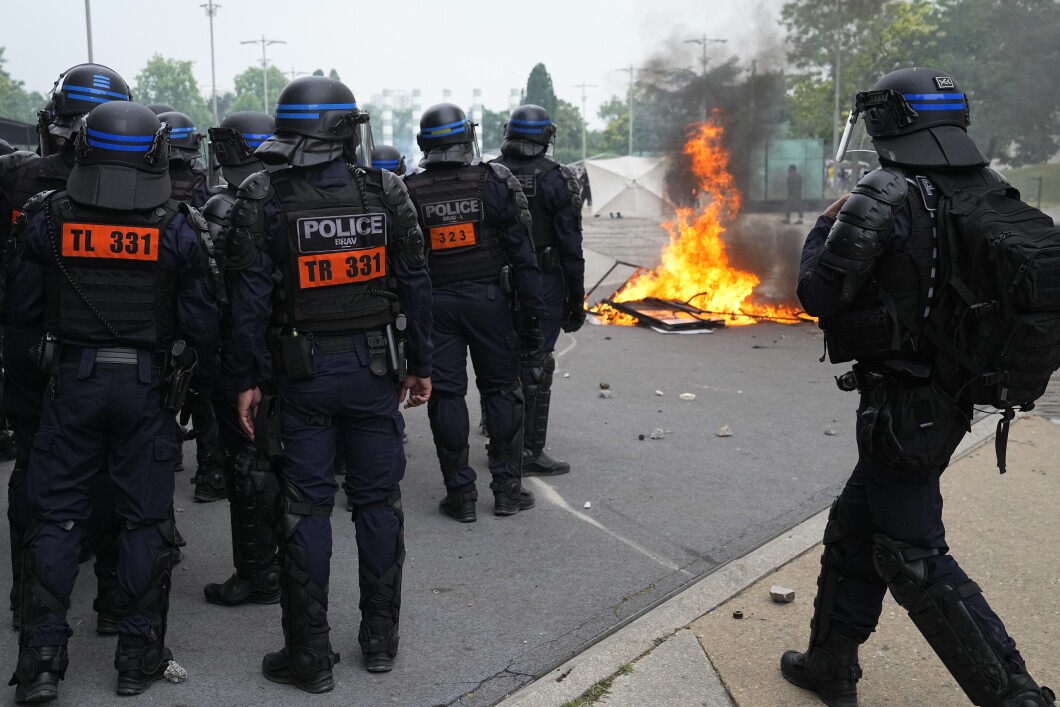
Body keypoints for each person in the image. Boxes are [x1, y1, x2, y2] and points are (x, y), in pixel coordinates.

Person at [782, 68, 1056, 707]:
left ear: (886, 120)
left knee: (914, 556)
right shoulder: (988, 188)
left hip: (902, 407)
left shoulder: (887, 193)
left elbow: (818, 293)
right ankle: (829, 662)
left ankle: (1014, 695)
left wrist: (827, 224)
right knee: (855, 526)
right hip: (952, 398)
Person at [4, 100, 218, 702]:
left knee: (57, 517)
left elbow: (17, 317)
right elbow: (204, 330)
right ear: (156, 153)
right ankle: (137, 656)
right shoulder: (178, 226)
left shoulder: (47, 219)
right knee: (144, 520)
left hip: (69, 387)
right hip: (148, 391)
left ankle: (42, 662)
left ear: (81, 147)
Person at [224, 75, 432, 690]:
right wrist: (422, 366)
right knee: (378, 501)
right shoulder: (386, 190)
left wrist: (245, 379)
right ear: (345, 130)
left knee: (305, 508)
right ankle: (380, 640)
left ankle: (309, 659)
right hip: (374, 373)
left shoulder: (263, 194)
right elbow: (417, 284)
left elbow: (247, 302)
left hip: (300, 376)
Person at [0, 63, 133, 634]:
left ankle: (29, 598)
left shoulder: (18, 180)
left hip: (30, 347)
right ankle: (112, 597)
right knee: (107, 468)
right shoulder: (137, 185)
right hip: (102, 352)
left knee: (35, 468)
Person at [404, 102, 544, 522]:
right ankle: (506, 491)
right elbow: (524, 256)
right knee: (501, 392)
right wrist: (533, 318)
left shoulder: (408, 190)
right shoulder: (495, 181)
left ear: (424, 143)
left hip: (435, 306)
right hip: (489, 303)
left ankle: (461, 496)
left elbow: (405, 266)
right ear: (467, 138)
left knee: (446, 395)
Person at [197, 111, 283, 601]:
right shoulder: (285, 196)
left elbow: (215, 291)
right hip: (292, 345)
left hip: (242, 350)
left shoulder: (225, 206)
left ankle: (257, 573)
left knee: (247, 461)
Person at [492, 104, 585, 476]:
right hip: (543, 283)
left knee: (500, 365)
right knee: (535, 366)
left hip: (495, 284)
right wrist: (575, 302)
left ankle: (501, 443)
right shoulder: (556, 178)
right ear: (547, 136)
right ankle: (528, 452)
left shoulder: (490, 175)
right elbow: (571, 248)